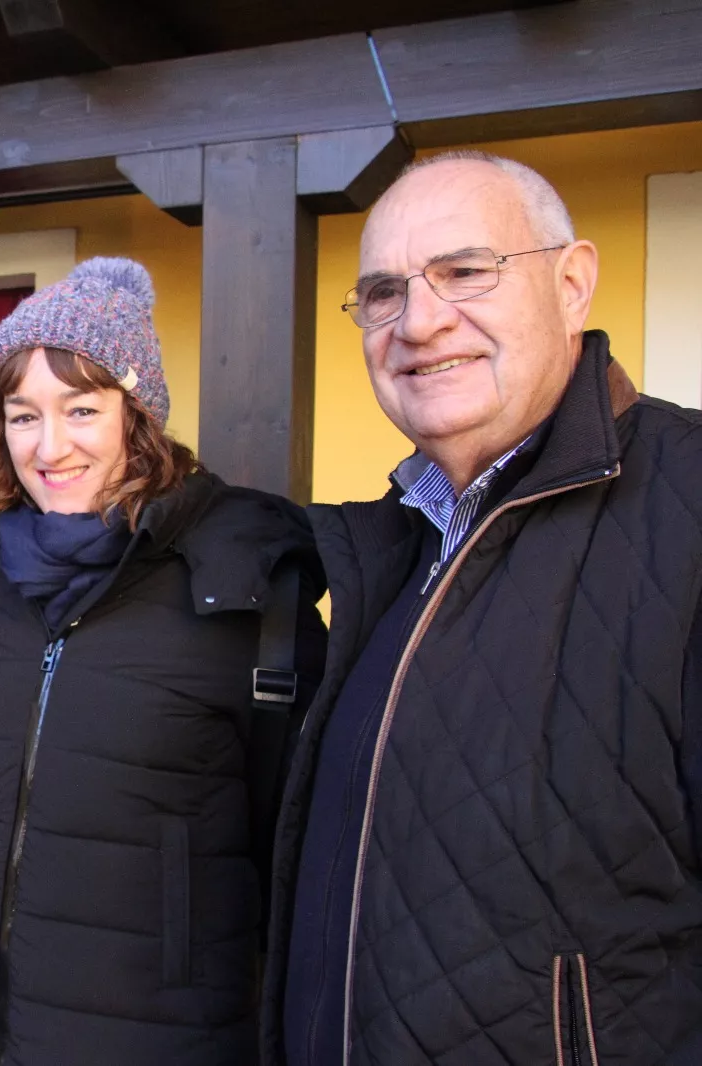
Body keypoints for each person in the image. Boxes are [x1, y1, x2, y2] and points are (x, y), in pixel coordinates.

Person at [266, 151, 702, 1065]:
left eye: (465, 271)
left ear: (573, 282)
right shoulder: (397, 545)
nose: (420, 322)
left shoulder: (689, 508)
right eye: (383, 292)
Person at [0, 258, 327, 1065]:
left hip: (152, 1040)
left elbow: (297, 838)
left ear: (138, 414)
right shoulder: (7, 579)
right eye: (21, 416)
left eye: (80, 409)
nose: (49, 447)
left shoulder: (242, 591)